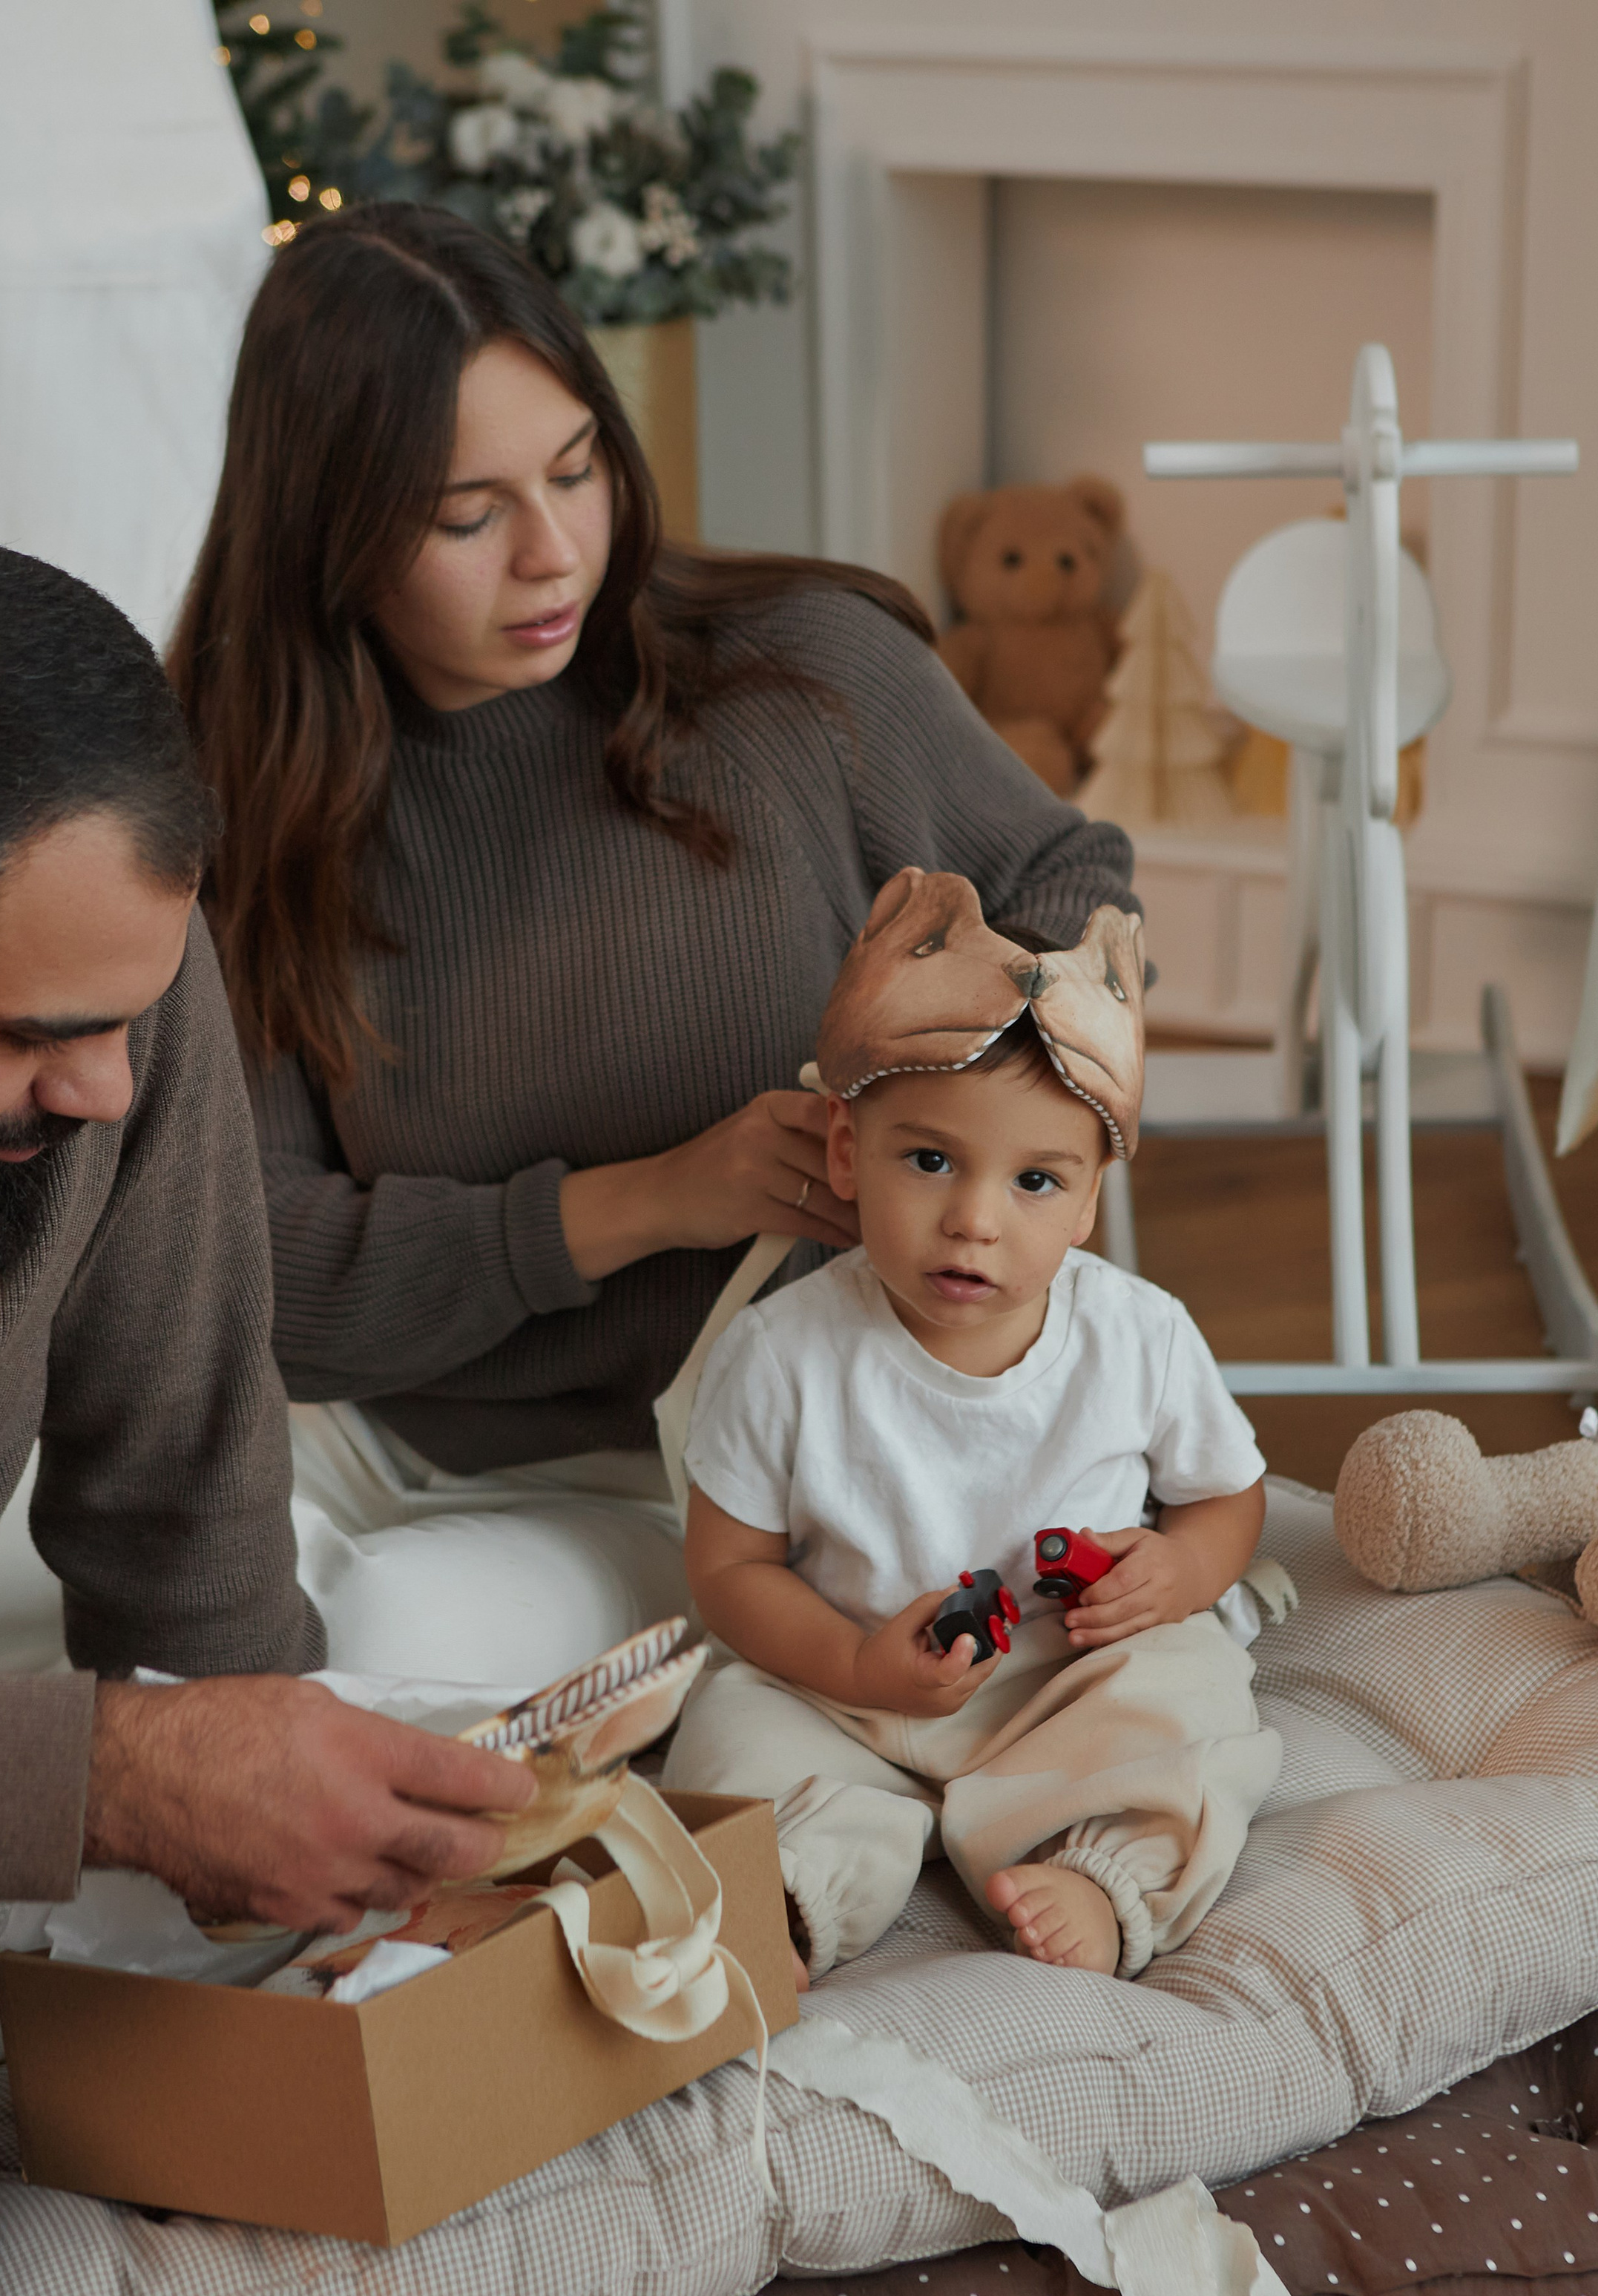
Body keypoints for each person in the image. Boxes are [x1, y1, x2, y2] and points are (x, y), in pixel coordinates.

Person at [168, 203, 1137, 1685]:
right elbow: (256, 1274)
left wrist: (989, 1064)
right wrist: (647, 1201)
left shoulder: (797, 675)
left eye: (575, 470)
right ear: (330, 531)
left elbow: (1065, 876)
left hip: (732, 1484)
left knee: (346, 1657)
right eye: (464, 513)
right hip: (383, 1441)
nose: (555, 553)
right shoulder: (236, 805)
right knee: (111, 1624)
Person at [0, 534, 538, 2296]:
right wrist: (112, 1774)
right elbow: (133, 1761)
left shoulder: (118, 1024)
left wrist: (314, 1920)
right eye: (29, 1036)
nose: (100, 1092)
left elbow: (183, 1487)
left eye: (129, 1016)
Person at [664, 873, 1282, 1981]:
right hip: (842, 1692)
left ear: (1091, 1204)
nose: (974, 1220)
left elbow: (1228, 1495)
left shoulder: (1138, 1337)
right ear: (849, 1156)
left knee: (1191, 1693)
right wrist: (852, 1660)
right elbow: (728, 1570)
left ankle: (1099, 1873)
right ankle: (796, 1895)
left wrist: (1183, 1571)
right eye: (930, 1160)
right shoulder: (782, 1354)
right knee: (730, 1729)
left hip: (1062, 1686)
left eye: (1037, 1180)